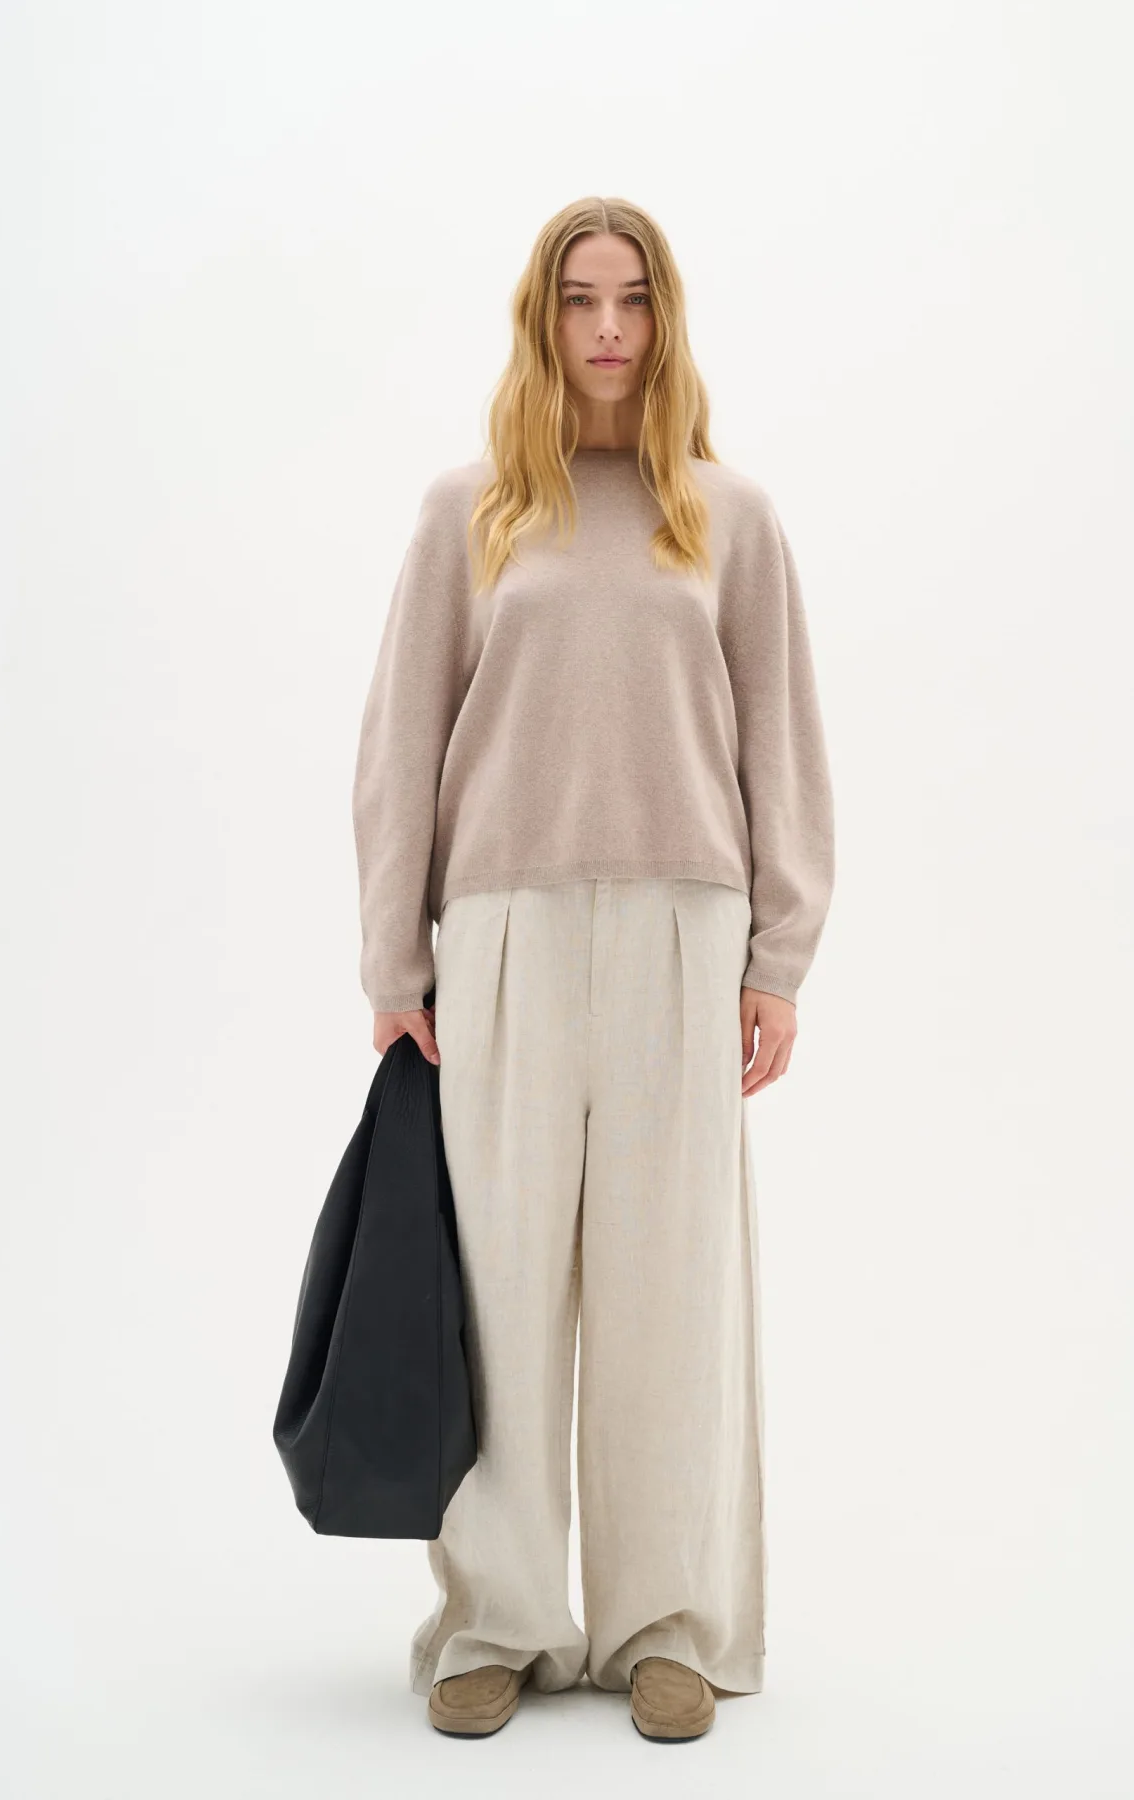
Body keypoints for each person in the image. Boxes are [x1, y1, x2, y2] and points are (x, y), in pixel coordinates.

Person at [351, 196, 835, 1742]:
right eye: (580, 299)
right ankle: (495, 1621)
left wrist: (779, 956)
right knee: (497, 1293)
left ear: (665, 317)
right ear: (543, 318)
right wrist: (394, 954)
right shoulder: (473, 510)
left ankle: (666, 1623)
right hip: (501, 936)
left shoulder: (729, 517)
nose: (608, 327)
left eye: (632, 299)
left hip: (687, 935)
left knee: (669, 1292)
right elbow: (401, 744)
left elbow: (783, 746)